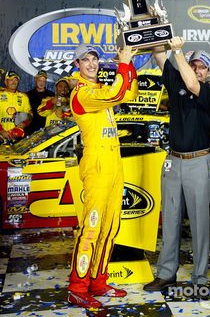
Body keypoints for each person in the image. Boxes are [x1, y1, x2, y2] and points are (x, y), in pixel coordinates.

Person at [144, 36, 210, 292]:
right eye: (194, 65)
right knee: (171, 220)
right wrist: (155, 30)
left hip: (199, 162)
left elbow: (191, 82)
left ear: (209, 72)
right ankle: (166, 273)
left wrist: (178, 52)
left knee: (199, 223)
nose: (198, 70)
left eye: (203, 67)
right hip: (173, 162)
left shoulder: (209, 91)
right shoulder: (176, 81)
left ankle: (199, 278)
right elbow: (158, 54)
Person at [67, 43, 138, 310]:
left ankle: (98, 282)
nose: (92, 64)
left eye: (95, 59)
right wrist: (124, 63)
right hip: (96, 166)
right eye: (85, 60)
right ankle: (77, 287)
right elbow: (117, 92)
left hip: (113, 165)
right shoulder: (82, 93)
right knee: (91, 230)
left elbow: (129, 92)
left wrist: (128, 63)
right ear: (77, 65)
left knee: (109, 229)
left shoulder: (98, 89)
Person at [0, 71, 32, 142]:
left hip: (17, 137)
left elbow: (30, 115)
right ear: (5, 82)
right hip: (1, 137)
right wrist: (1, 131)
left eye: (16, 80)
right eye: (11, 80)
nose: (14, 82)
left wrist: (24, 123)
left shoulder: (24, 97)